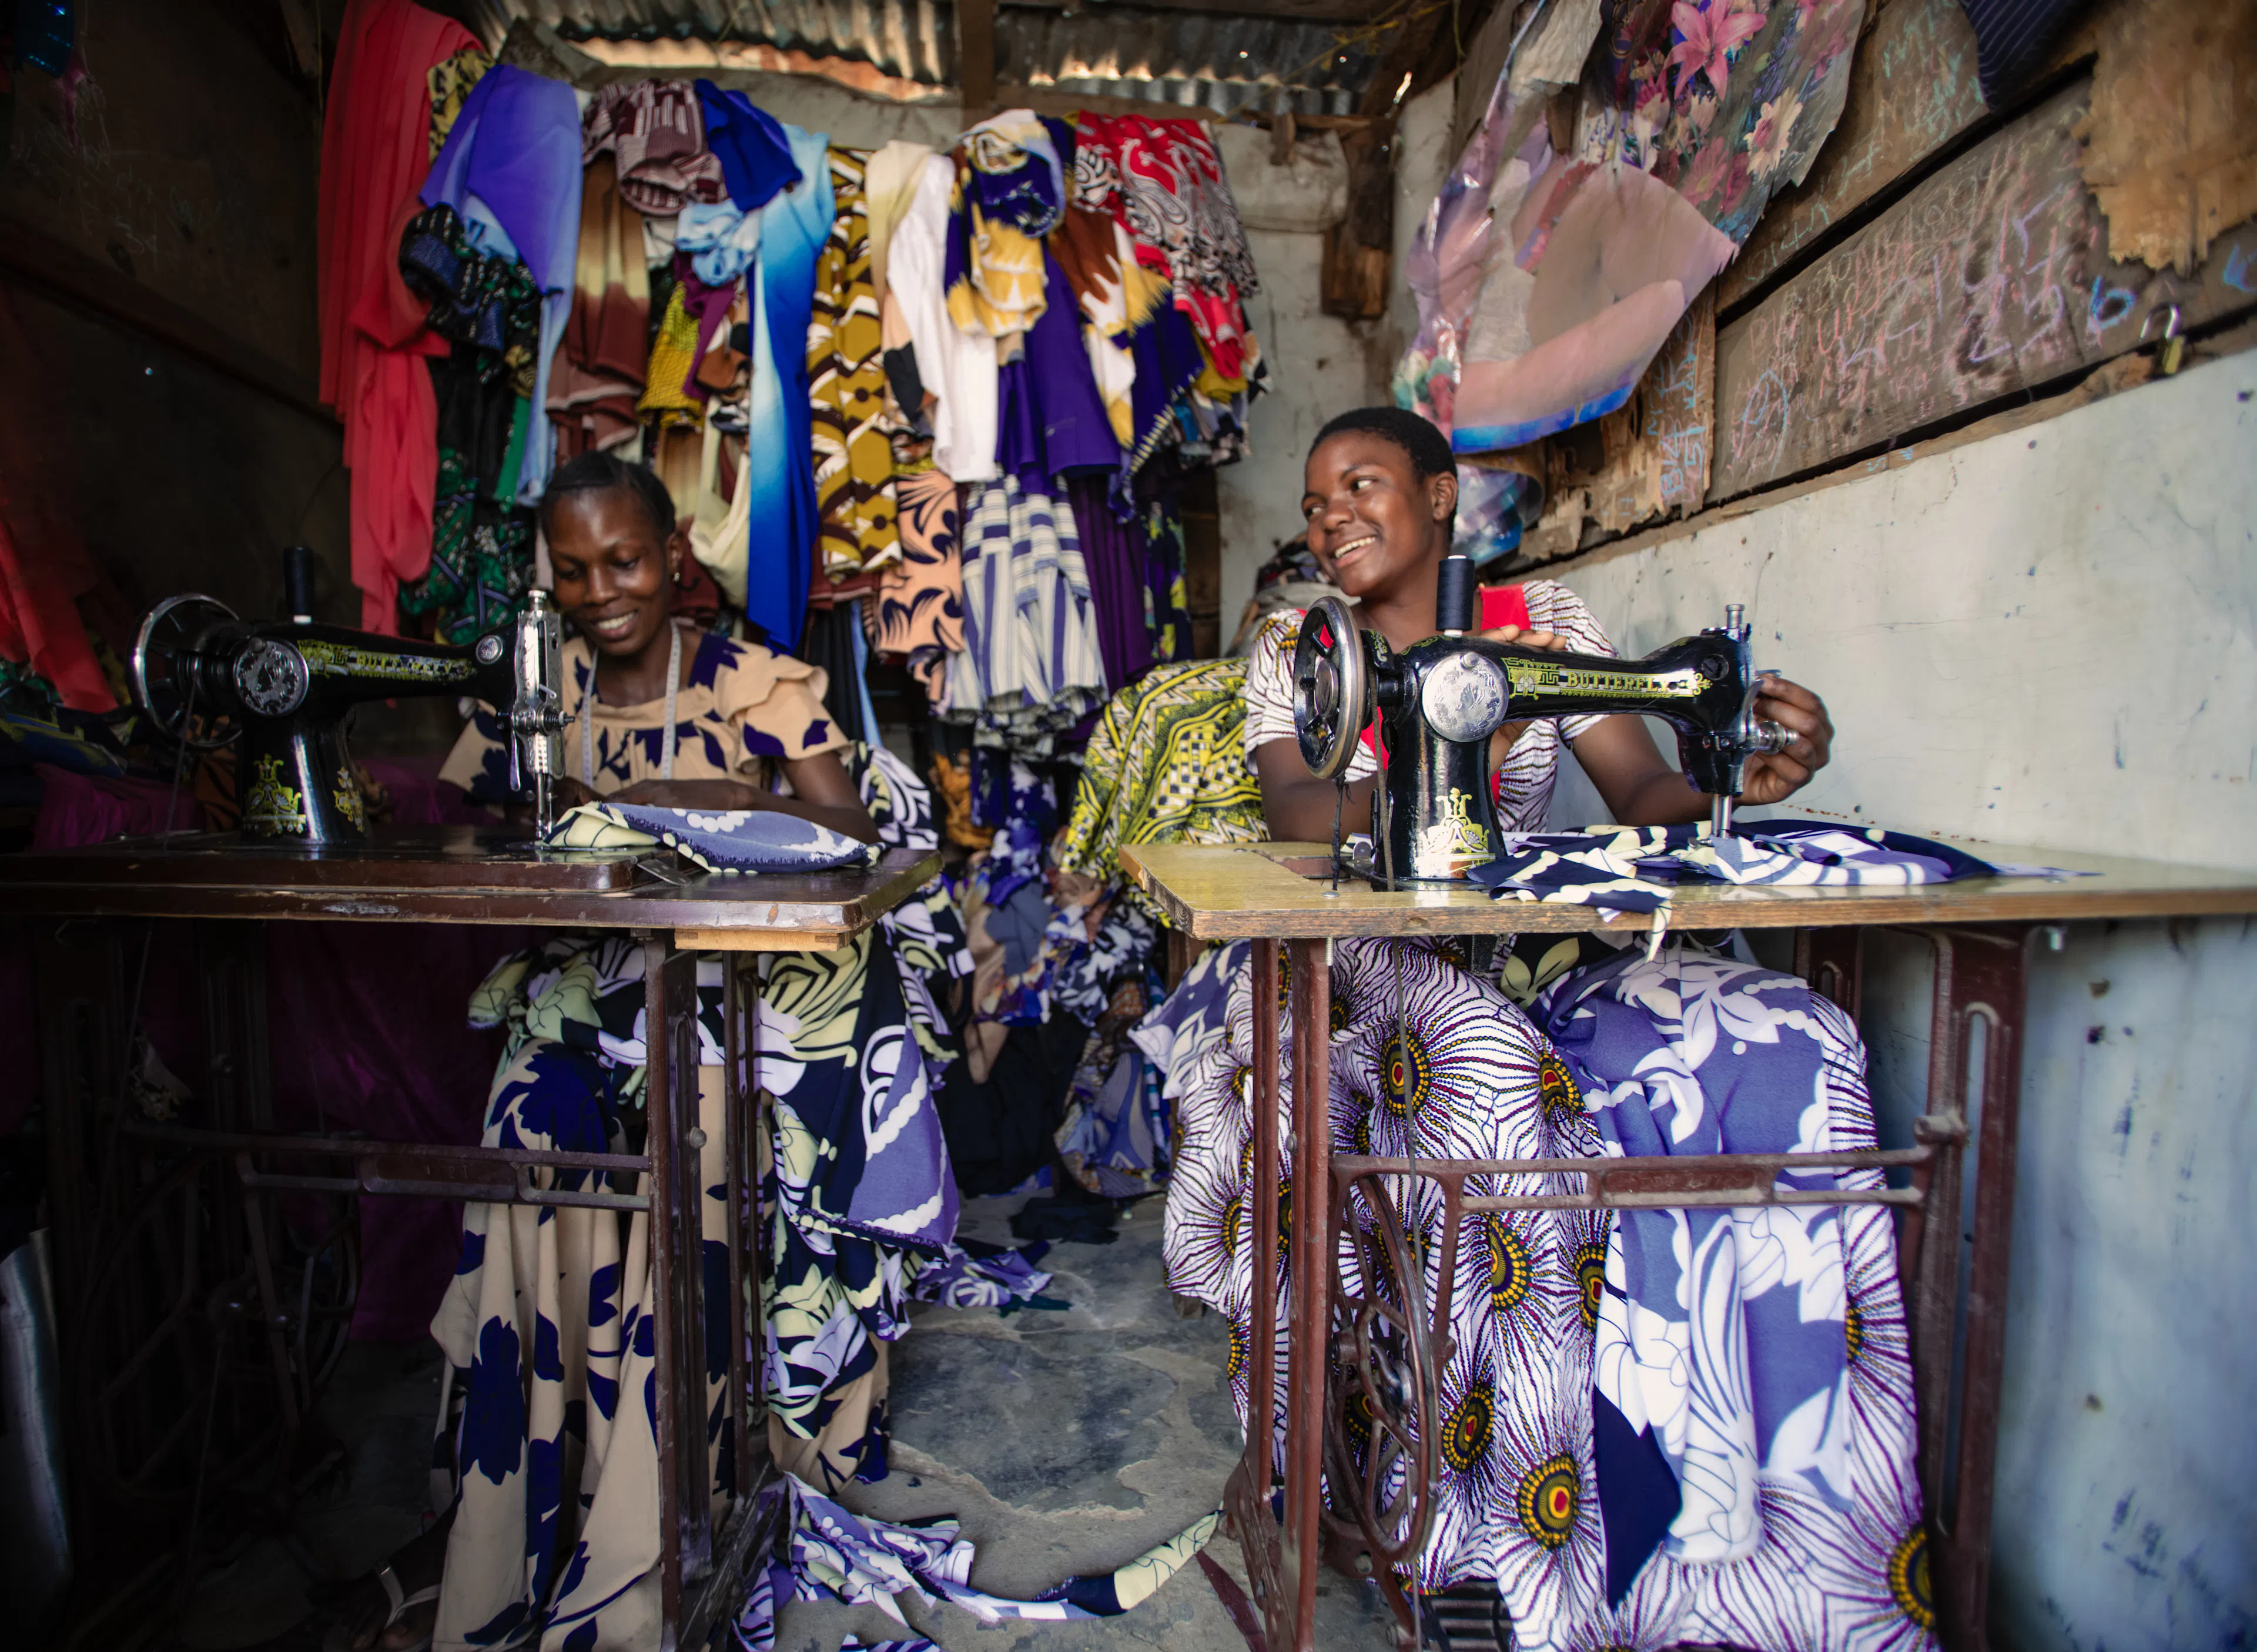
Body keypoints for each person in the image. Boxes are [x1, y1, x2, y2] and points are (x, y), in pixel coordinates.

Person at [1160, 409, 1938, 1648]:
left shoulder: (1552, 631)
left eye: (1361, 484)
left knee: (1786, 1035)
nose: (1332, 516)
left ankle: (1789, 1539)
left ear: (1440, 495)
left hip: (1538, 952)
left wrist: (1745, 778)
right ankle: (1491, 1544)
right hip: (1359, 967)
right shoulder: (1302, 648)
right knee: (1489, 1070)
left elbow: (1646, 796)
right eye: (1314, 502)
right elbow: (1299, 816)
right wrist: (1439, 748)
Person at [332, 453, 998, 1652]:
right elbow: (477, 823)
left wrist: (687, 795)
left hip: (738, 1005)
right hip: (592, 995)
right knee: (526, 1111)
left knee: (685, 1123)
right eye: (575, 570)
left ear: (674, 557)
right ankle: (536, 1472)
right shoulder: (536, 696)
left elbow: (850, 830)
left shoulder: (754, 678)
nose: (601, 590)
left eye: (625, 560)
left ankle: (669, 1470)